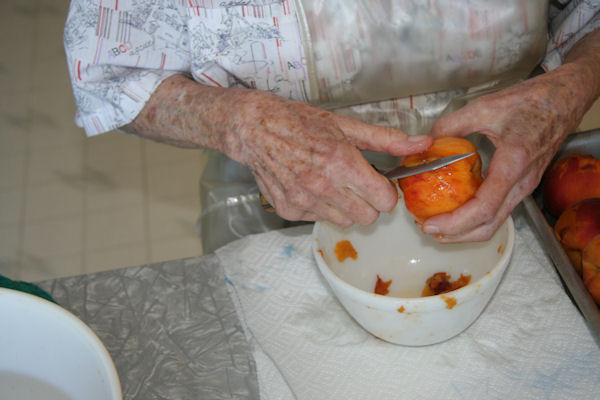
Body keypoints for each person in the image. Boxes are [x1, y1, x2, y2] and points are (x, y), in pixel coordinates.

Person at [64, 0, 600, 246]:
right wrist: (238, 121)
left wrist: (573, 85)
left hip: (510, 177)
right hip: (278, 193)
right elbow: (111, 69)